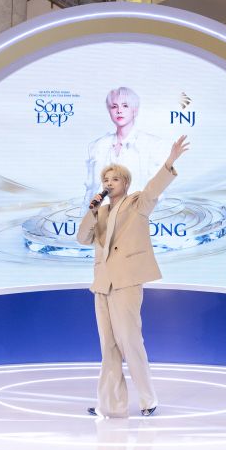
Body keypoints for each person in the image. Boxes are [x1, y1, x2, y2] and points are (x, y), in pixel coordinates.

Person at [78, 135, 190, 418]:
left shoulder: (137, 204)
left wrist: (170, 161)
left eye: (114, 179)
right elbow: (82, 238)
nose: (109, 183)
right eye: (106, 179)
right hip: (102, 283)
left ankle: (148, 399)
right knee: (108, 347)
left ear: (125, 183)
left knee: (130, 341)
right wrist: (92, 211)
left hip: (126, 281)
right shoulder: (101, 211)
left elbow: (153, 189)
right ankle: (109, 405)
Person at [83, 87, 166, 207]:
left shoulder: (153, 145)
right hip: (101, 215)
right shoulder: (97, 146)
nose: (119, 111)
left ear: (135, 110)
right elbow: (90, 190)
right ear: (109, 111)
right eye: (114, 106)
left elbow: (157, 193)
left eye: (125, 106)